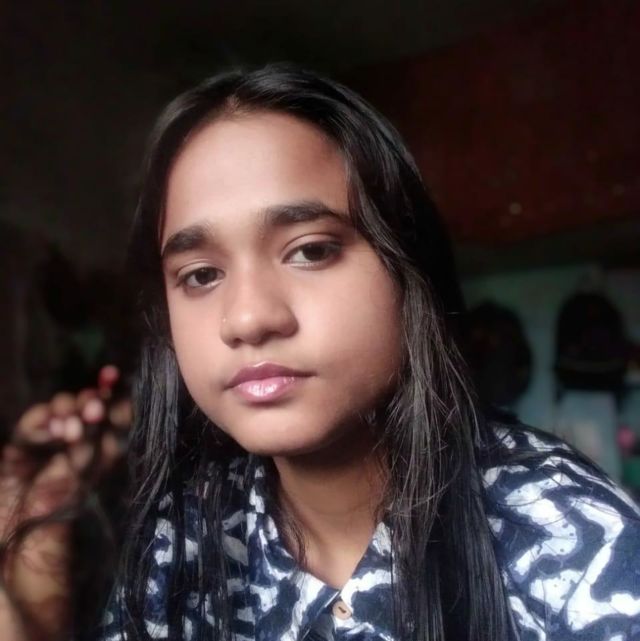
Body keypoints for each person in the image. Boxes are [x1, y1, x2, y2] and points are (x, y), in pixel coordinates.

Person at [3, 65, 640, 641]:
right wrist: (31, 563)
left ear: (408, 267)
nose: (247, 319)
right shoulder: (174, 535)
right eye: (200, 275)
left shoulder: (582, 547)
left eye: (310, 250)